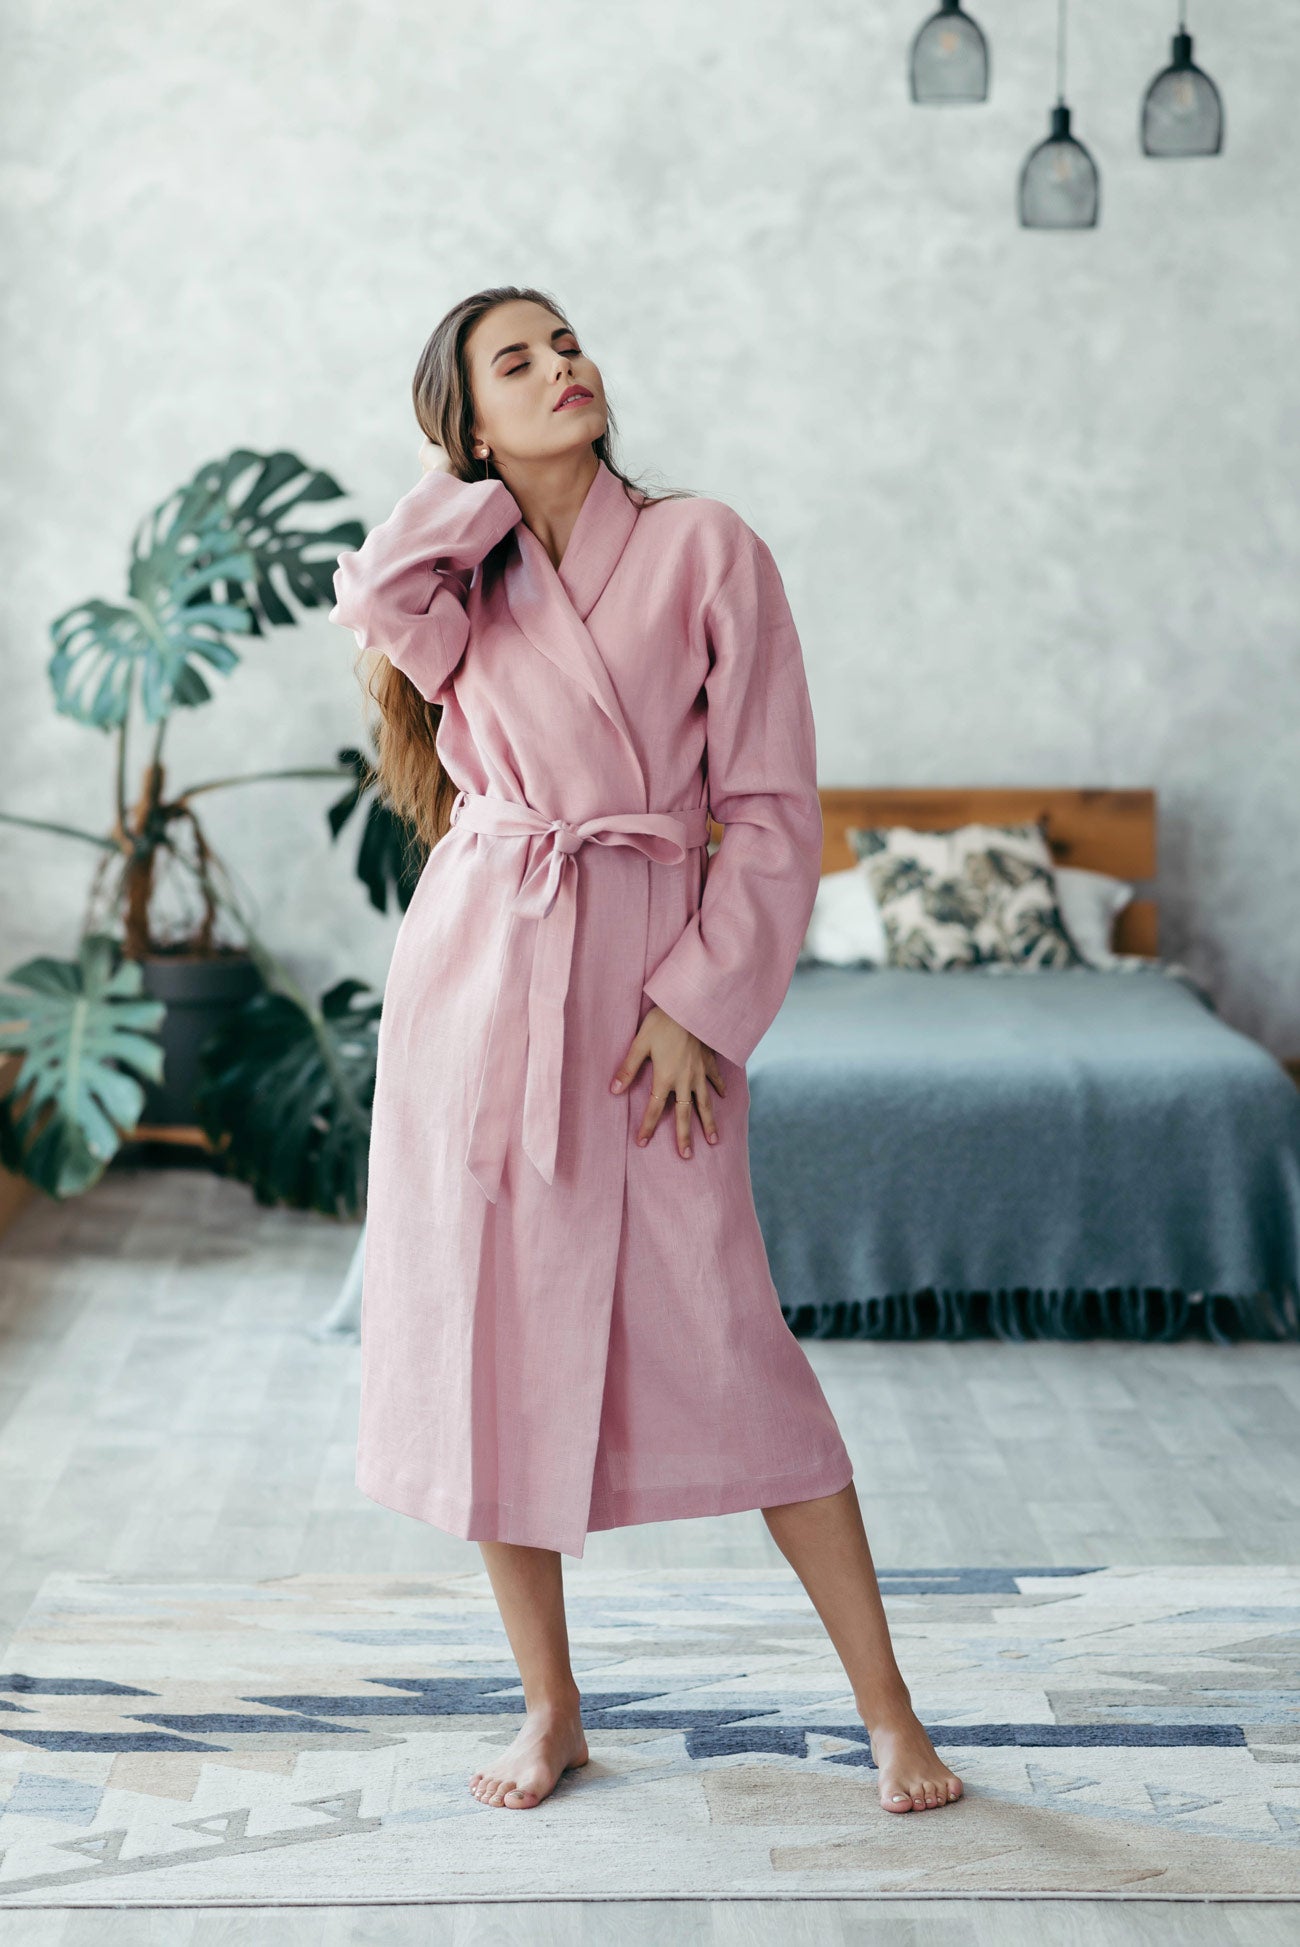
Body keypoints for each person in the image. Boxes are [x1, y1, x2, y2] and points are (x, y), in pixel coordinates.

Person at [329, 285, 963, 1818]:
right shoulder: (458, 576)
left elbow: (772, 805)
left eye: (571, 343)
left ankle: (889, 1712)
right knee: (491, 1348)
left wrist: (698, 1002)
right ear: (471, 420)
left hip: (650, 996)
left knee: (732, 1337)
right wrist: (466, 489)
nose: (567, 368)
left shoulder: (705, 548)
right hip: (482, 976)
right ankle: (552, 1711)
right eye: (519, 360)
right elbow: (374, 596)